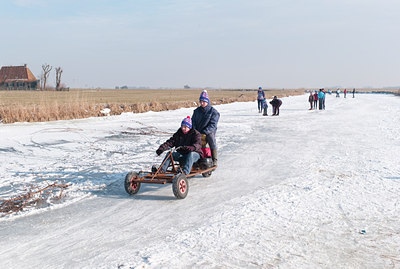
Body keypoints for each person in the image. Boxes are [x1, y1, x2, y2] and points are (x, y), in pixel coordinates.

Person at [192, 90, 220, 166]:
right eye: (200, 101)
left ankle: (214, 159)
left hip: (209, 131)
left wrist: (204, 132)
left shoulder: (213, 112)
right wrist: (194, 131)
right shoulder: (196, 111)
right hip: (198, 131)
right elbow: (193, 122)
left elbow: (213, 125)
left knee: (211, 137)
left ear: (207, 102)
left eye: (204, 101)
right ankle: (194, 159)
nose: (202, 103)